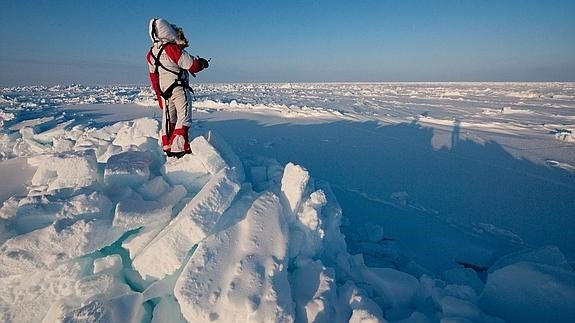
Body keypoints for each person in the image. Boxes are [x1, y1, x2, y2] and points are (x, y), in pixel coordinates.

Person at [146, 18, 209, 158]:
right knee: (184, 117)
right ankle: (180, 148)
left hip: (165, 92)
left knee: (169, 119)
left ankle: (168, 146)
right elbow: (192, 65)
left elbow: (154, 77)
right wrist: (203, 63)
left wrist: (159, 96)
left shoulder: (151, 53)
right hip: (178, 89)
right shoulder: (171, 49)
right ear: (166, 30)